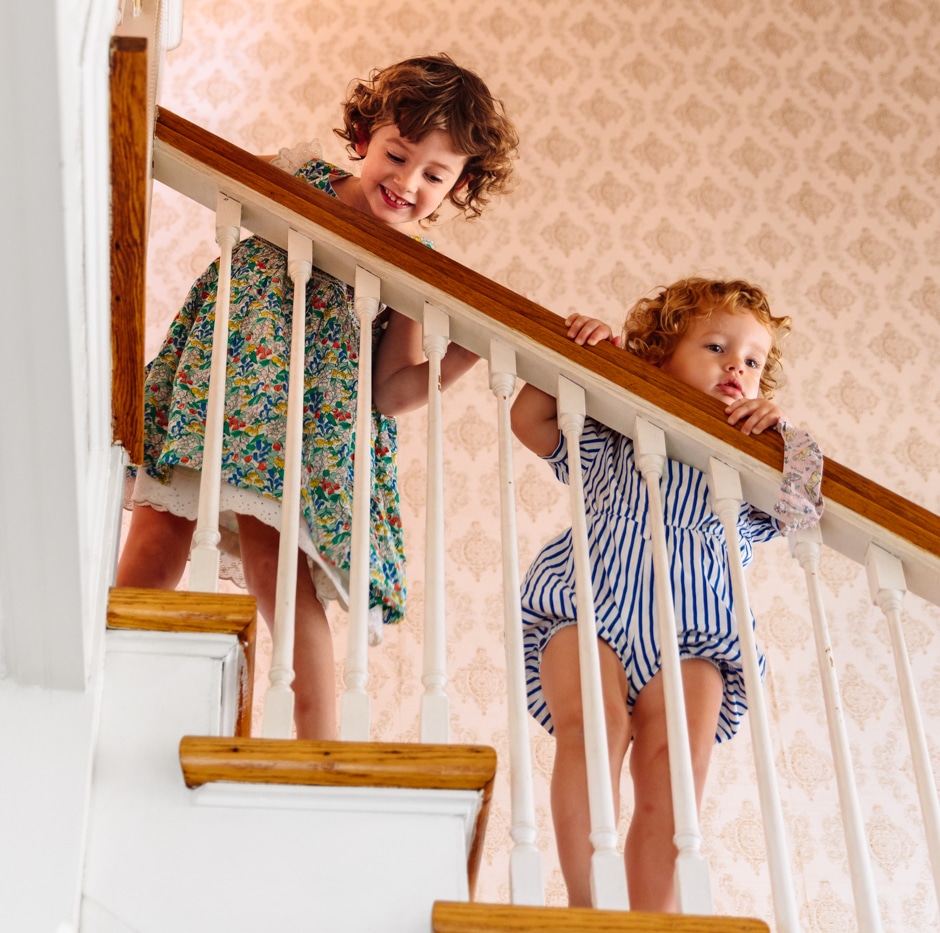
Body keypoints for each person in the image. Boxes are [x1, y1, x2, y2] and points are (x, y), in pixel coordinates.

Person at [118, 54, 518, 740]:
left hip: (308, 425)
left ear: (458, 187)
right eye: (397, 154)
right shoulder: (298, 178)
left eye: (434, 175)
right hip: (221, 387)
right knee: (161, 529)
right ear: (364, 136)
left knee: (281, 566)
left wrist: (456, 362)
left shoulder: (416, 268)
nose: (406, 182)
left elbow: (390, 390)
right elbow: (214, 173)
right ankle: (110, 674)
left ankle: (319, 739)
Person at [510, 277, 810, 911]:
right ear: (659, 356)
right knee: (593, 728)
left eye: (753, 362)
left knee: (676, 766)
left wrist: (788, 436)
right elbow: (529, 419)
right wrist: (581, 354)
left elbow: (804, 511)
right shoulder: (614, 425)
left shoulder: (747, 462)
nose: (737, 366)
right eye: (717, 347)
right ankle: (590, 907)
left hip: (698, 624)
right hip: (589, 600)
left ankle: (652, 918)